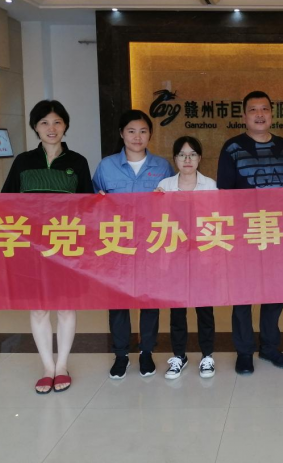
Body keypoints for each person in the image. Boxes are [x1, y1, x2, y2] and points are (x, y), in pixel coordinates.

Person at [3, 100, 93, 393]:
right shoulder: (23, 161)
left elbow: (89, 206)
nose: (51, 128)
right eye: (44, 122)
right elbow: (3, 202)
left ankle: (62, 365)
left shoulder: (77, 162)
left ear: (65, 125)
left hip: (66, 244)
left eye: (57, 122)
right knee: (39, 308)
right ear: (35, 127)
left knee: (66, 307)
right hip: (30, 247)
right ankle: (47, 367)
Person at [217, 90, 283, 375]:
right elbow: (224, 195)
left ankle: (270, 348)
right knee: (242, 295)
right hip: (244, 235)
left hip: (276, 233)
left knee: (275, 293)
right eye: (253, 110)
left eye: (264, 109)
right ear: (244, 116)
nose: (259, 114)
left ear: (272, 114)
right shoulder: (232, 147)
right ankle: (244, 351)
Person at [92, 109, 173, 380]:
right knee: (118, 301)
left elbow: (175, 204)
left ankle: (146, 352)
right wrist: (98, 201)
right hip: (117, 245)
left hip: (151, 244)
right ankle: (121, 355)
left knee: (149, 300)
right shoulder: (106, 166)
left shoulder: (162, 166)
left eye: (143, 131)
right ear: (121, 134)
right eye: (131, 131)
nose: (137, 137)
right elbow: (91, 203)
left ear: (150, 134)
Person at [155, 136, 218, 379]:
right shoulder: (165, 185)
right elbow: (155, 219)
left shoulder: (210, 185)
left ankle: (207, 355)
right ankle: (179, 356)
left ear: (200, 158)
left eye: (192, 154)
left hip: (203, 255)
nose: (187, 159)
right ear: (175, 159)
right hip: (174, 256)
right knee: (177, 310)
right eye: (182, 155)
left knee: (204, 309)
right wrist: (155, 201)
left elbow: (217, 219)